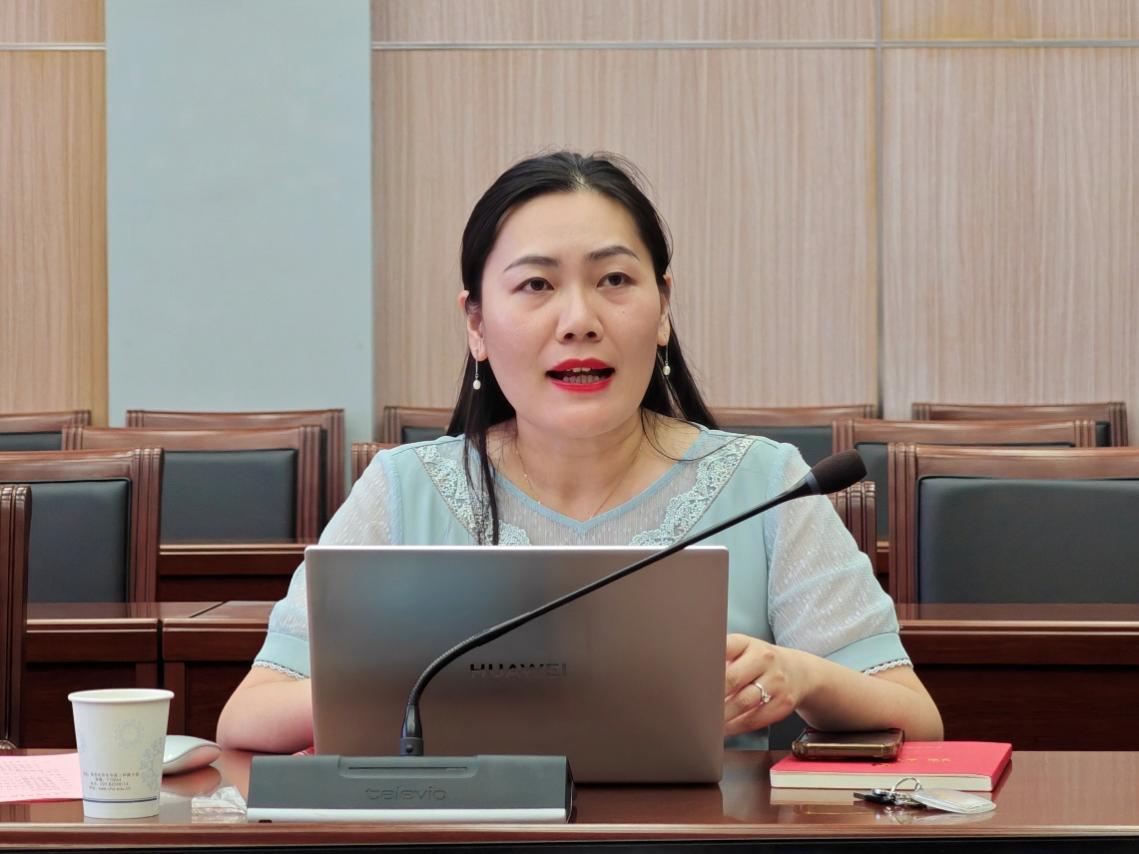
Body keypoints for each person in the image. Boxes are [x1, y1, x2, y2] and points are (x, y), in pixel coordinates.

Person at [217, 151, 942, 752]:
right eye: (536, 284)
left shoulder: (767, 485)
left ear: (663, 307)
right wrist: (430, 687)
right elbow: (248, 717)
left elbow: (915, 717)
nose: (579, 320)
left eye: (614, 280)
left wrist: (801, 676)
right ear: (476, 323)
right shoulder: (404, 490)